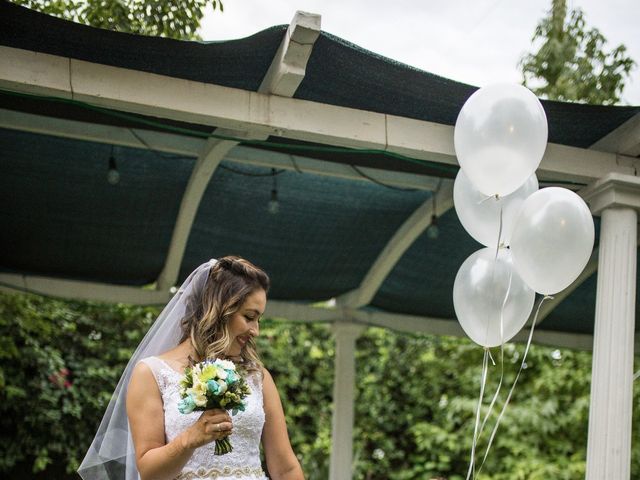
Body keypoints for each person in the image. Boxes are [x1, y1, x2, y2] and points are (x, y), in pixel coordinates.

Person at [79, 256, 304, 480]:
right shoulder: (152, 373)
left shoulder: (257, 376)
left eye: (259, 320)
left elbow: (285, 469)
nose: (256, 331)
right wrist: (191, 438)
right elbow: (149, 472)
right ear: (216, 311)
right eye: (249, 317)